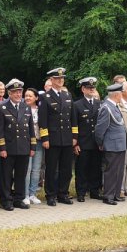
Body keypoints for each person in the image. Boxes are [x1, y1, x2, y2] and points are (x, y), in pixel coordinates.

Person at [38, 68, 78, 206]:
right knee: (51, 168)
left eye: (62, 78)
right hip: (53, 139)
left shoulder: (67, 96)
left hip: (67, 137)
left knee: (66, 168)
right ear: (52, 80)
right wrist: (45, 138)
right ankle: (50, 195)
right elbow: (42, 120)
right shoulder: (45, 97)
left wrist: (74, 136)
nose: (61, 80)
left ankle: (63, 193)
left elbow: (73, 117)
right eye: (57, 78)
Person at [0, 79, 36, 210]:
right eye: (15, 92)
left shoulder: (26, 107)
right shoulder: (2, 107)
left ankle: (19, 198)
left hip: (24, 147)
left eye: (20, 92)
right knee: (6, 176)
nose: (18, 94)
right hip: (9, 147)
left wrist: (33, 147)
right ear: (9, 93)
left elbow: (31, 130)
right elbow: (0, 130)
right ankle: (6, 199)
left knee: (21, 175)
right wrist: (2, 148)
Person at [94, 83, 127, 205]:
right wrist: (101, 143)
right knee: (111, 171)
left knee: (119, 171)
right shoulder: (106, 107)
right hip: (112, 145)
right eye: (121, 94)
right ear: (117, 95)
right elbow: (100, 129)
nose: (122, 96)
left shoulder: (115, 106)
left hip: (120, 145)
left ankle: (116, 194)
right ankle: (108, 196)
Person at [73, 77, 101, 202]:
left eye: (93, 88)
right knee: (82, 169)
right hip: (83, 142)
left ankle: (95, 191)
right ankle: (81, 192)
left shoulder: (99, 104)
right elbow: (74, 125)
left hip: (96, 143)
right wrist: (76, 143)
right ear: (83, 89)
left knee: (95, 168)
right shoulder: (77, 105)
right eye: (89, 88)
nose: (91, 90)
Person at [23, 88, 44, 205]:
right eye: (26, 96)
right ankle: (25, 194)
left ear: (36, 97)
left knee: (36, 170)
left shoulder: (41, 110)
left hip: (39, 142)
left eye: (30, 96)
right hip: (26, 143)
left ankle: (32, 194)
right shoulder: (22, 109)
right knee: (27, 169)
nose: (27, 98)